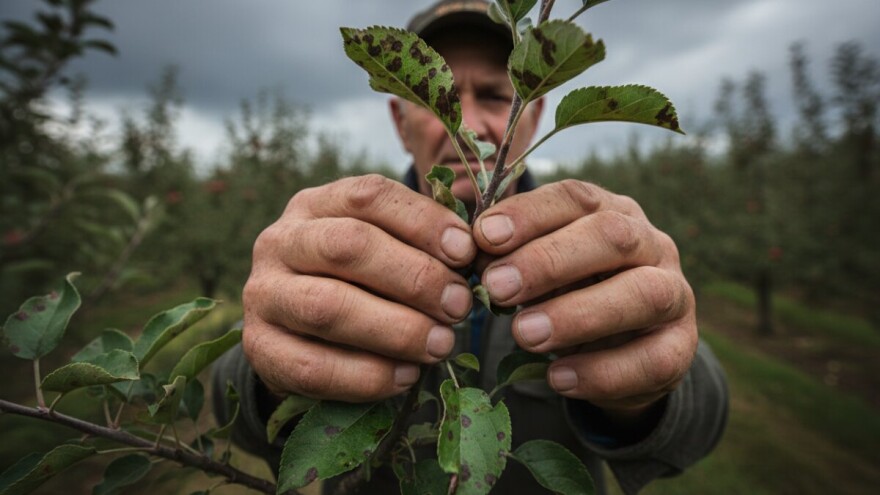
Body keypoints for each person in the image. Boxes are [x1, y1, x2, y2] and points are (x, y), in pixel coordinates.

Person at [213, 1, 728, 494]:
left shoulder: (590, 250)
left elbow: (702, 414)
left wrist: (649, 388)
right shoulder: (345, 242)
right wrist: (270, 372)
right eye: (438, 100)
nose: (467, 125)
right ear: (399, 121)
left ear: (534, 110)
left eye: (495, 96)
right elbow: (231, 390)